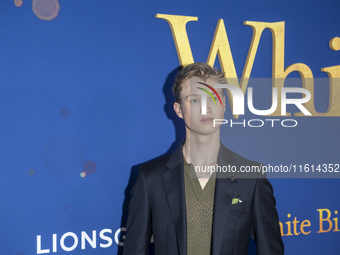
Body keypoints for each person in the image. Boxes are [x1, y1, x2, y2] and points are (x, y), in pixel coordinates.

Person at [122, 62, 284, 255]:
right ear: (179, 109)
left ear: (224, 105)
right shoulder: (150, 178)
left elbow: (271, 249)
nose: (206, 108)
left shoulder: (252, 176)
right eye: (195, 100)